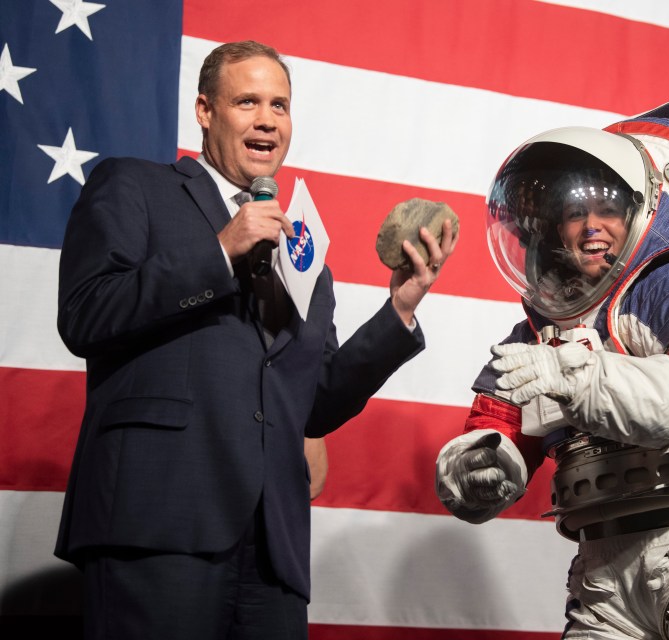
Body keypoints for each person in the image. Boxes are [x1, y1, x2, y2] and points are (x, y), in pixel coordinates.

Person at [54, 40, 456, 639]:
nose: (268, 119)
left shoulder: (305, 253)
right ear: (204, 111)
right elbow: (85, 316)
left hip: (274, 546)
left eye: (281, 105)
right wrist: (220, 251)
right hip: (158, 523)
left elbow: (313, 403)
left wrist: (399, 307)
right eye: (247, 101)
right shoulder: (134, 186)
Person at [436, 126, 669, 638]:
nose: (592, 227)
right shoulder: (540, 330)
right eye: (574, 214)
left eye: (606, 211)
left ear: (637, 213)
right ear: (550, 230)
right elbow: (496, 427)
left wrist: (581, 379)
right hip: (604, 581)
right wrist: (480, 469)